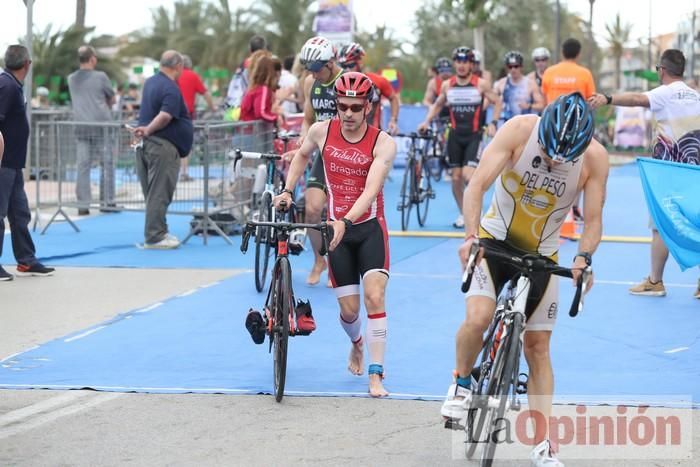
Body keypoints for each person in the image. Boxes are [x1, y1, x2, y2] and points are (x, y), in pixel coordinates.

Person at [441, 93, 609, 466]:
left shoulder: (595, 158)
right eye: (549, 152)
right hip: (494, 241)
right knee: (478, 317)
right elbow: (476, 186)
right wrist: (470, 238)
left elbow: (593, 221)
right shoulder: (519, 129)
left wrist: (583, 258)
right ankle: (462, 382)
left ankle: (544, 443)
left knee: (538, 348)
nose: (552, 162)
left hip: (542, 255)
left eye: (563, 159)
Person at [273, 71, 397, 397]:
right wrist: (287, 190)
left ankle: (376, 375)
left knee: (374, 297)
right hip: (335, 231)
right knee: (350, 311)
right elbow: (301, 156)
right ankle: (357, 343)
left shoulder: (382, 143)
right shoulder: (321, 131)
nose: (349, 114)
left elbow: (371, 191)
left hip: (369, 228)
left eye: (356, 108)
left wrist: (346, 220)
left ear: (367, 107)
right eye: (343, 106)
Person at [589, 49, 700, 299]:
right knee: (696, 222)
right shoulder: (695, 95)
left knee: (660, 225)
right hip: (693, 171)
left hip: (667, 172)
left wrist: (607, 98)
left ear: (662, 70)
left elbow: (638, 99)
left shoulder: (664, 93)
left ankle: (655, 281)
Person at [418, 47, 497, 229]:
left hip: (474, 135)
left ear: (471, 64)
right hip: (454, 135)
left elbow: (497, 101)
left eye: (465, 61)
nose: (461, 65)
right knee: (455, 178)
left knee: (469, 176)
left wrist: (493, 122)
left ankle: (475, 211)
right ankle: (464, 213)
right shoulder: (448, 85)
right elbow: (437, 105)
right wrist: (426, 122)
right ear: (455, 63)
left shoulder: (481, 84)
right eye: (458, 61)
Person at [0, 45, 56, 281]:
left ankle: (26, 259)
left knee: (19, 213)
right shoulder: (7, 86)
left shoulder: (12, 85)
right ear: (27, 64)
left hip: (13, 162)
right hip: (4, 162)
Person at [130, 50, 193, 250]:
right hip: (161, 145)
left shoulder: (150, 82)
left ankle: (159, 230)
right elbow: (165, 115)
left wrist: (145, 131)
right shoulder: (170, 87)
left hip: (148, 145)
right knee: (159, 192)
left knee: (153, 191)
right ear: (178, 66)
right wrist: (149, 130)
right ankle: (155, 235)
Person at [296, 36, 345, 285]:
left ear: (330, 63)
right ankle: (319, 260)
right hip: (322, 155)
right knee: (312, 210)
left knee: (340, 214)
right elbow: (308, 117)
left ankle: (340, 264)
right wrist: (304, 139)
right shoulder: (309, 83)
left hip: (346, 157)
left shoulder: (346, 82)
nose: (313, 74)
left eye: (317, 70)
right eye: (309, 69)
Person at [541, 38, 595, 221]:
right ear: (578, 53)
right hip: (575, 129)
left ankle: (544, 203)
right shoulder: (584, 74)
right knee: (576, 166)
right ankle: (572, 207)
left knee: (547, 164)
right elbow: (590, 101)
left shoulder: (549, 72)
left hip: (551, 127)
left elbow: (544, 97)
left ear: (562, 52)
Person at [67, 45, 116, 216]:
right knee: (107, 164)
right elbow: (112, 97)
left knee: (83, 165)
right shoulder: (101, 77)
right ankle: (108, 202)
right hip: (102, 126)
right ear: (92, 59)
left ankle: (83, 204)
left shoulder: (71, 79)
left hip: (81, 127)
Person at [337, 42, 400, 134]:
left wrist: (393, 120)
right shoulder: (338, 83)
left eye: (350, 65)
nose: (347, 70)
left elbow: (393, 98)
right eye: (343, 66)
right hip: (346, 133)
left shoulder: (378, 81)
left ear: (360, 62)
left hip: (372, 133)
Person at [177, 54, 216, 182]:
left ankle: (173, 173)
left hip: (170, 114)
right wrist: (213, 108)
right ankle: (184, 173)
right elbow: (206, 93)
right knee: (185, 145)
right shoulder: (193, 76)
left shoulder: (173, 75)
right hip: (186, 115)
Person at [490, 51, 544, 132]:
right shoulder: (501, 83)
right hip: (507, 126)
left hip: (526, 127)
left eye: (516, 66)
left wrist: (529, 106)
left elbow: (542, 105)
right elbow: (490, 100)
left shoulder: (530, 84)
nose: (513, 69)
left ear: (521, 67)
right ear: (507, 68)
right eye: (510, 67)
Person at [239, 55, 283, 125]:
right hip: (252, 131)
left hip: (246, 129)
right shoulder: (263, 89)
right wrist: (275, 118)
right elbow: (261, 112)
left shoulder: (255, 88)